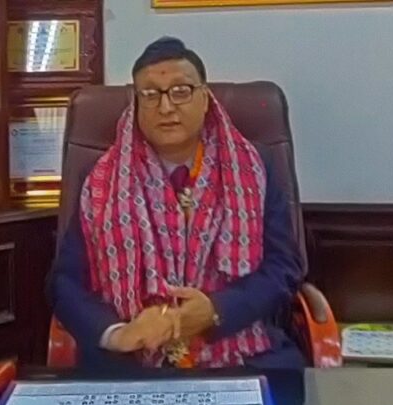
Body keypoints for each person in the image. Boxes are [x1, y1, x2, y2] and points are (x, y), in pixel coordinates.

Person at [48, 37, 305, 370]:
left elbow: (284, 267)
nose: (166, 108)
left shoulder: (253, 167)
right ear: (136, 105)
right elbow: (64, 282)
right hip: (130, 363)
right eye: (150, 95)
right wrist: (117, 334)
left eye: (181, 91)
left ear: (205, 98)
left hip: (243, 355)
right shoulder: (102, 180)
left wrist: (217, 310)